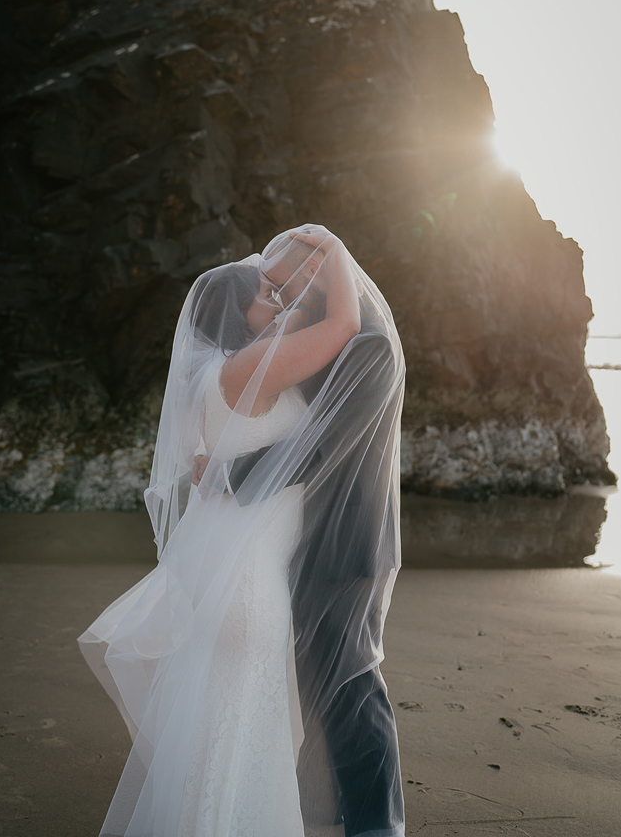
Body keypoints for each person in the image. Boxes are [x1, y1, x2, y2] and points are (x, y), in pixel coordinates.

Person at [78, 225, 405, 837]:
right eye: (265, 292)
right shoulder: (260, 364)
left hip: (290, 552)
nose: (277, 299)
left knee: (325, 691)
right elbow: (306, 403)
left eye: (284, 288)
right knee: (257, 710)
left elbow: (299, 443)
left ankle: (364, 822)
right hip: (253, 572)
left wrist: (226, 465)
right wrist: (333, 250)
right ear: (232, 315)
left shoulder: (355, 354)